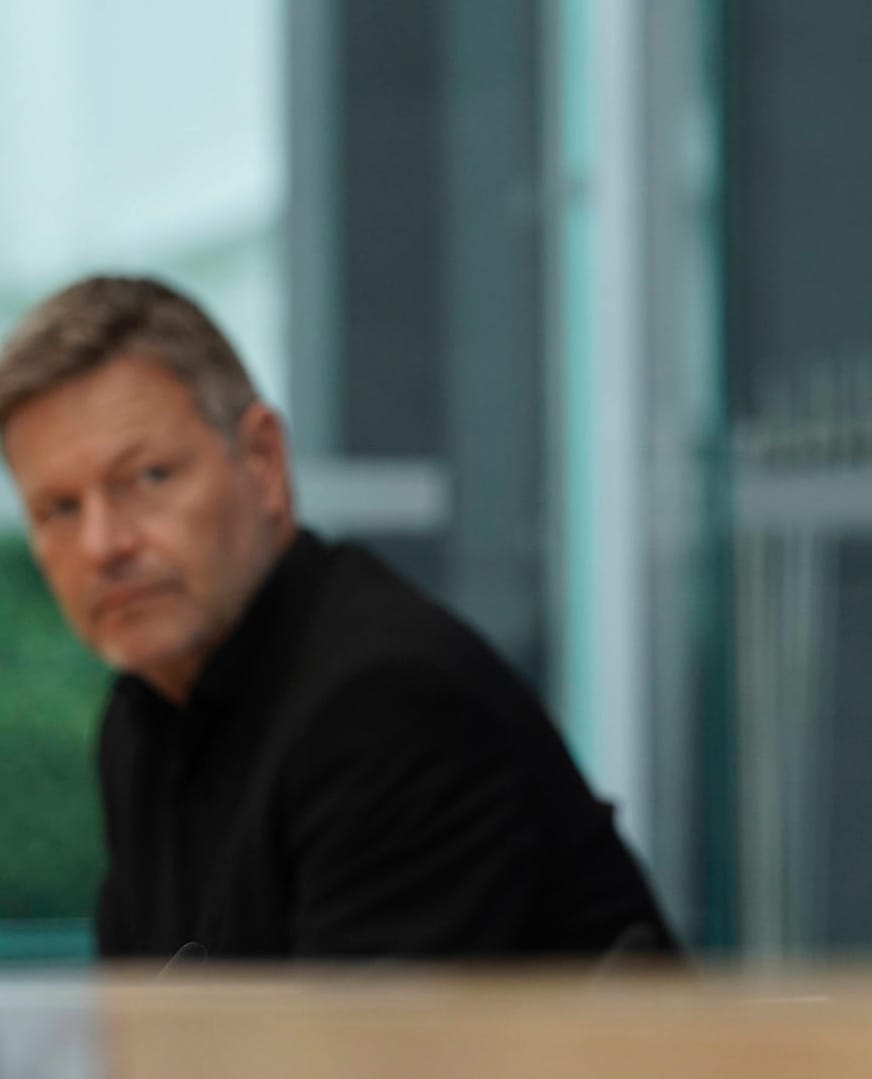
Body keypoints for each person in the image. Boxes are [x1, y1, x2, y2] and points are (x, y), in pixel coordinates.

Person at [0, 275, 676, 962]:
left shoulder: (385, 703)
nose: (103, 544)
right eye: (58, 509)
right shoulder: (143, 716)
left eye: (148, 478)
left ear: (263, 462)